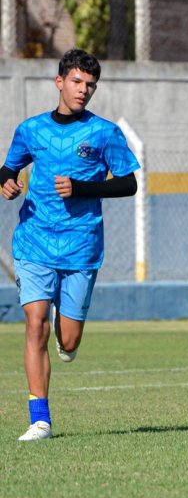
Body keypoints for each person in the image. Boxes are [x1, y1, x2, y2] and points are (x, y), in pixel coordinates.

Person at [0, 48, 140, 441]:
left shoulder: (104, 132)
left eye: (91, 85)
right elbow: (8, 168)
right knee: (34, 325)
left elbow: (128, 182)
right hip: (34, 241)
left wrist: (83, 188)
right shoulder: (31, 129)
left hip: (81, 247)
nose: (84, 90)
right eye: (77, 82)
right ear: (59, 82)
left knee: (68, 339)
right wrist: (6, 183)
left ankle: (70, 338)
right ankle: (39, 419)